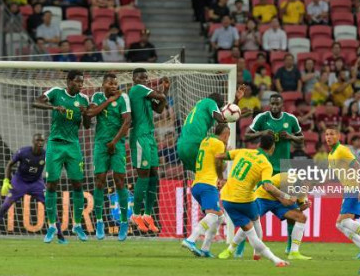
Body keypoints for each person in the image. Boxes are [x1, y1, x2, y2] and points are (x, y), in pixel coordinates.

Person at [32, 71, 91, 242]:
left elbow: (87, 126)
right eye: (78, 82)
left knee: (78, 184)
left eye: (82, 82)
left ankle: (77, 225)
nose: (80, 85)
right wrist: (54, 107)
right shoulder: (56, 93)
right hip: (55, 145)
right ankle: (51, 227)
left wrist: (85, 113)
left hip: (73, 145)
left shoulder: (84, 99)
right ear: (69, 81)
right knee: (51, 185)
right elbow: (36, 102)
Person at [216, 133, 292, 267]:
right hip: (245, 200)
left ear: (258, 144)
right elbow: (268, 186)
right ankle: (272, 259)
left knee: (251, 230)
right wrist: (285, 196)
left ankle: (254, 254)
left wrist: (220, 177)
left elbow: (219, 156)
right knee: (255, 222)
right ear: (272, 148)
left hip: (226, 199)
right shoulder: (265, 164)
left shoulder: (243, 151)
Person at [244, 94, 304, 255]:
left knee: (291, 210)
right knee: (253, 211)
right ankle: (240, 248)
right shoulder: (262, 118)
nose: (275, 106)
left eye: (277, 104)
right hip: (264, 169)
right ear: (269, 104)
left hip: (285, 169)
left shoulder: (291, 119)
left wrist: (290, 137)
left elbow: (301, 140)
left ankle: (290, 246)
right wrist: (262, 133)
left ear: (282, 104)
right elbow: (246, 136)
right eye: (272, 104)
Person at [0, 134, 66, 243]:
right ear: (33, 141)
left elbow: (55, 166)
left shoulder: (46, 154)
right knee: (5, 205)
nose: (40, 143)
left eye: (42, 141)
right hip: (19, 182)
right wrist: (6, 180)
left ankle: (60, 236)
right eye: (38, 140)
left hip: (36, 183)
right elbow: (9, 165)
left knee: (50, 205)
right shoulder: (23, 152)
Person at [324, 127, 360, 258]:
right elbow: (329, 175)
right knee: (339, 224)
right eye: (326, 134)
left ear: (338, 136)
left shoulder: (342, 150)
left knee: (343, 222)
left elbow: (357, 166)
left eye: (331, 134)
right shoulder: (331, 155)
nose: (328, 137)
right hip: (348, 190)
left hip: (355, 188)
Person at [87, 74, 131, 241]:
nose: (114, 86)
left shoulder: (123, 97)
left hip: (117, 143)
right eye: (110, 83)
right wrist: (109, 100)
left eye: (115, 83)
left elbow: (127, 122)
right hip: (100, 144)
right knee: (99, 180)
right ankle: (99, 222)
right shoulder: (97, 96)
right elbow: (91, 113)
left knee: (119, 180)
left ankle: (124, 221)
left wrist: (114, 142)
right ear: (103, 84)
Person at [128, 69, 170, 234]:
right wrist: (162, 88)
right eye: (141, 77)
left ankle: (148, 214)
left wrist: (165, 90)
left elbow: (159, 109)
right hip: (139, 137)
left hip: (150, 137)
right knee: (143, 175)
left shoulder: (145, 95)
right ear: (134, 79)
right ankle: (136, 214)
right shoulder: (137, 89)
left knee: (154, 174)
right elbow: (160, 97)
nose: (144, 79)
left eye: (146, 77)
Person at [181, 124, 230, 257]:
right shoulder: (219, 143)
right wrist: (221, 178)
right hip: (208, 185)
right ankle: (191, 239)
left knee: (219, 217)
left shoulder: (206, 140)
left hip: (197, 184)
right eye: (228, 136)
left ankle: (205, 248)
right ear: (225, 135)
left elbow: (216, 162)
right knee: (213, 215)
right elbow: (220, 164)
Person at [177, 86, 246, 172]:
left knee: (200, 175)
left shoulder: (200, 107)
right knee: (217, 168)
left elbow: (225, 115)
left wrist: (236, 101)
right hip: (195, 143)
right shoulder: (210, 102)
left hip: (181, 146)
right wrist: (235, 116)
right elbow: (221, 119)